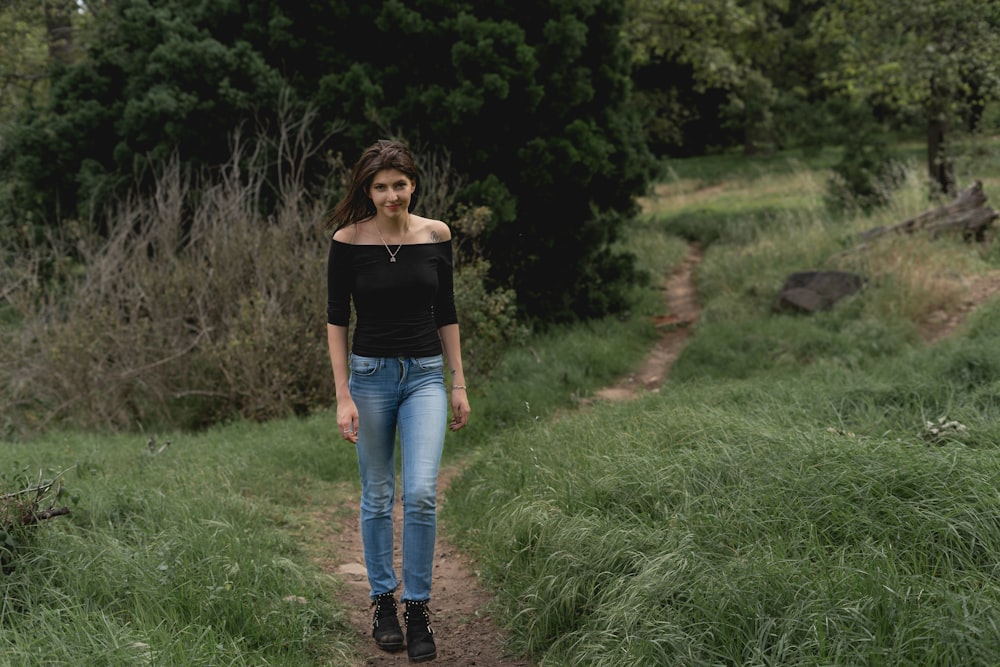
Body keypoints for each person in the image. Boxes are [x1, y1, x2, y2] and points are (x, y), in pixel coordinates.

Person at [325, 139, 471, 663]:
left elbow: (447, 312)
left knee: (423, 491)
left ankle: (417, 608)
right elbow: (336, 321)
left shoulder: (436, 235)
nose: (391, 195)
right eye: (381, 186)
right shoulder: (347, 240)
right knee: (378, 493)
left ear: (413, 184)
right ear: (368, 189)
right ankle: (382, 601)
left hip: (427, 377)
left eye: (399, 185)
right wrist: (343, 395)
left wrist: (458, 382)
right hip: (369, 378)